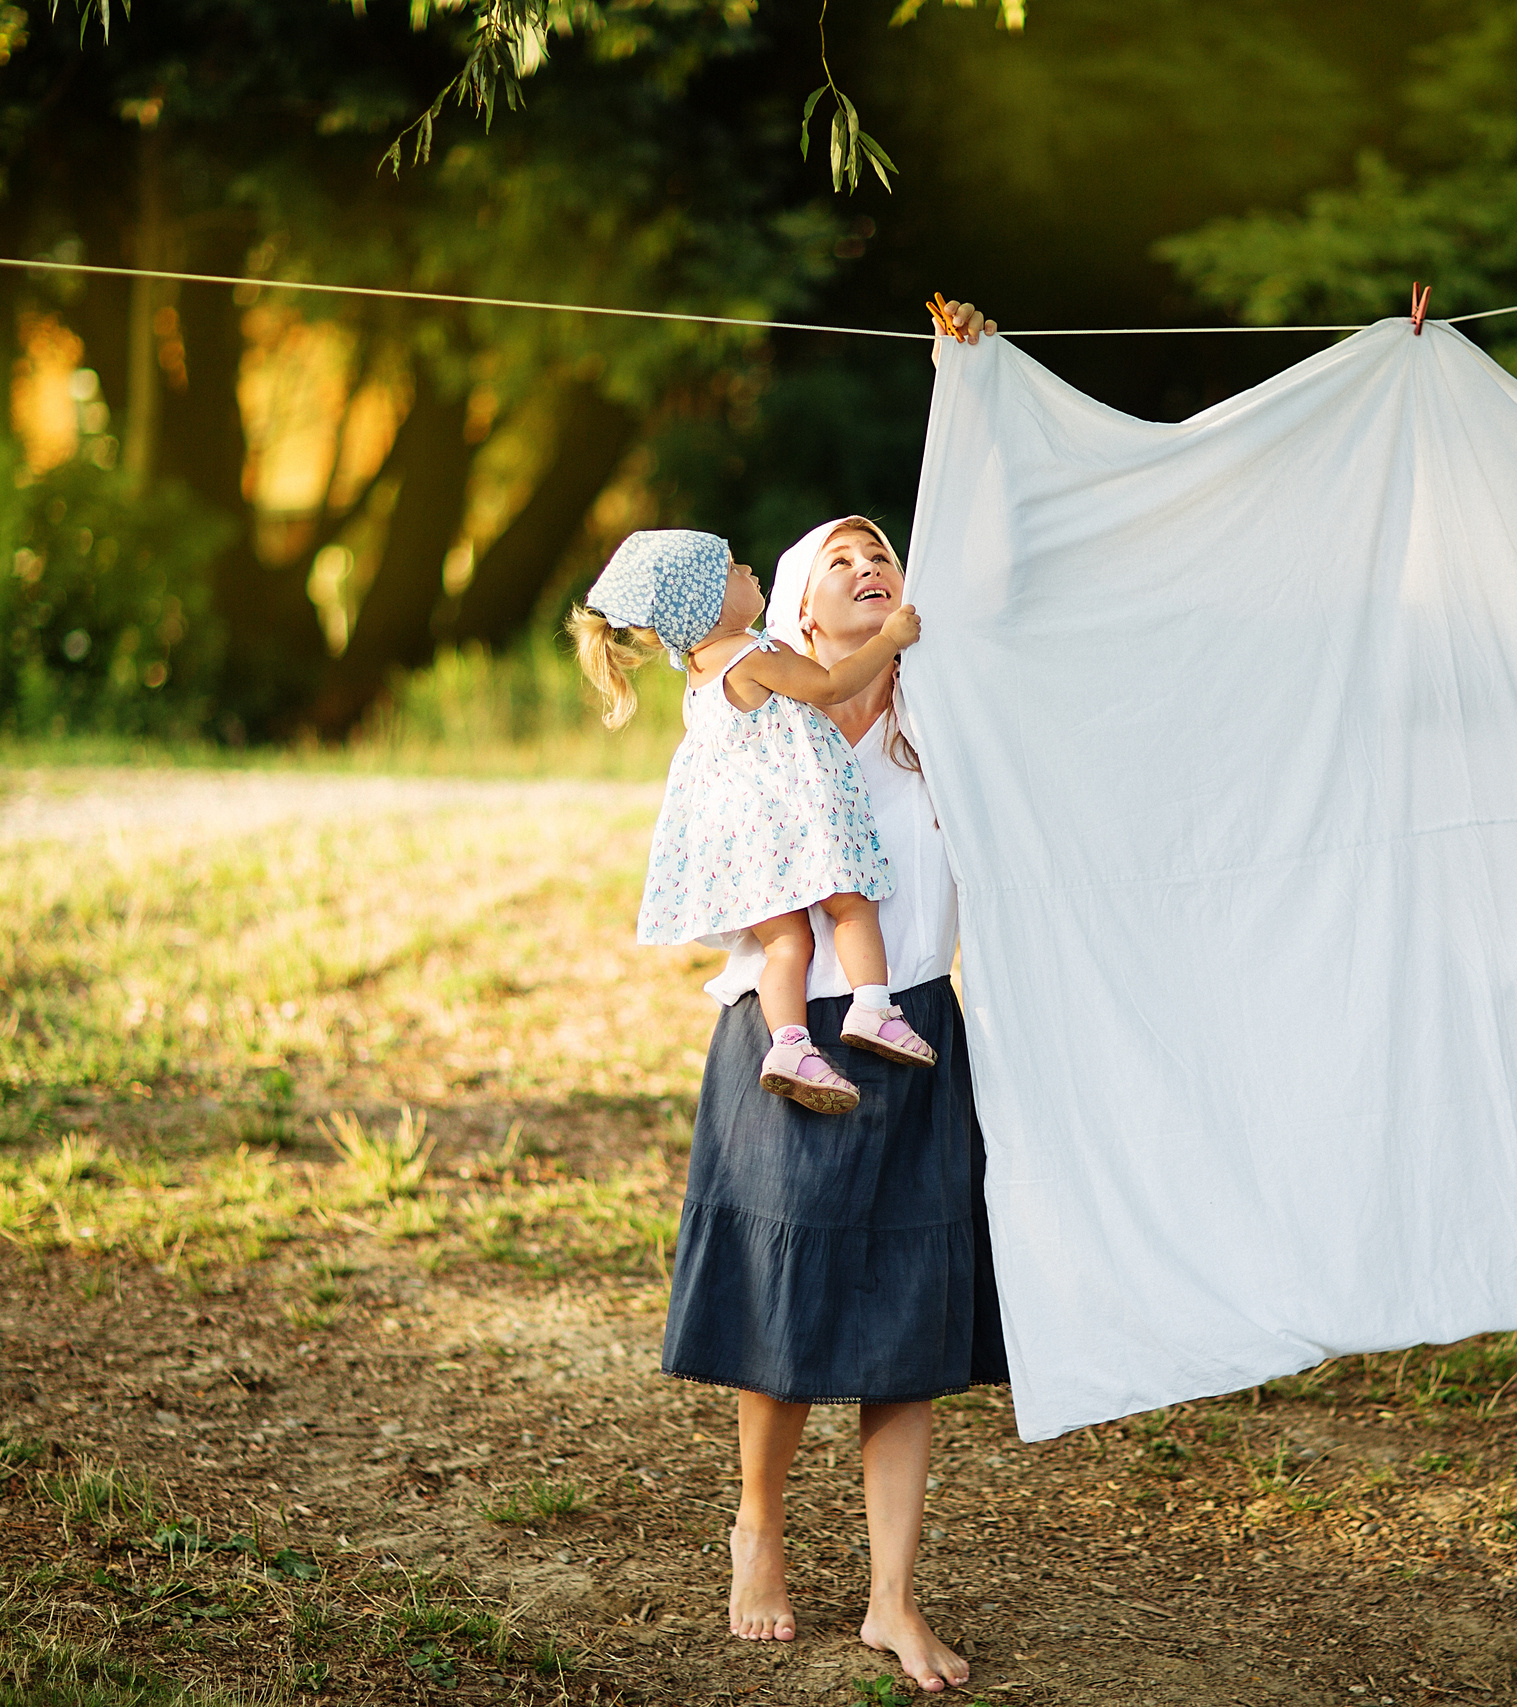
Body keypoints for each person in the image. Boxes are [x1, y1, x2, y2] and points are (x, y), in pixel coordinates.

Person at [652, 283, 1005, 1701]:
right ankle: (758, 1524)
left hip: (915, 1030)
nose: (871, 565)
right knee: (787, 1308)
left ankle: (892, 1598)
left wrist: (972, 388)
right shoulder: (765, 722)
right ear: (798, 610)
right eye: (843, 557)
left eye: (885, 554)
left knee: (909, 1329)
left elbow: (1009, 548)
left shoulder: (942, 730)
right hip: (785, 1037)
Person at [569, 529, 939, 1113]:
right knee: (852, 905)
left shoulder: (697, 675)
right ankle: (872, 1007)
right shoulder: (751, 655)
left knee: (786, 944)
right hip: (792, 829)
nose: (748, 572)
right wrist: (890, 639)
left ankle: (790, 1044)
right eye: (734, 569)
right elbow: (828, 686)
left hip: (743, 849)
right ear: (710, 604)